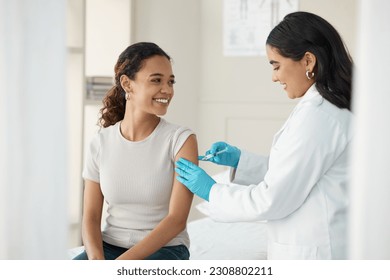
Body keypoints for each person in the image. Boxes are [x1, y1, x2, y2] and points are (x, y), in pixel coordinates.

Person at [175, 11, 353, 260]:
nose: (274, 77)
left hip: (316, 254)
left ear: (308, 61)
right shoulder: (324, 109)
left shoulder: (320, 115)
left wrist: (211, 190)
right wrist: (241, 161)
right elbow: (298, 173)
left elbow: (272, 199)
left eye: (277, 66)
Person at [73, 42, 198, 260]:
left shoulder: (181, 140)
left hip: (165, 249)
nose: (167, 90)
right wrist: (96, 261)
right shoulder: (101, 142)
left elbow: (177, 218)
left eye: (170, 82)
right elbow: (91, 216)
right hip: (110, 245)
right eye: (156, 80)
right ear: (127, 84)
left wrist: (121, 266)